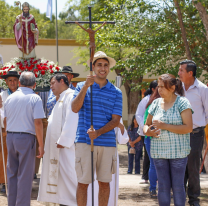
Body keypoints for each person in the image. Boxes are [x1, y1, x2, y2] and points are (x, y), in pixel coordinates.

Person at [71, 51, 122, 206]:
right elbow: (74, 108)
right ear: (93, 67)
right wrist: (86, 86)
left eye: (106, 65)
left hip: (107, 142)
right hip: (84, 141)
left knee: (104, 183)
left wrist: (98, 133)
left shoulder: (116, 92)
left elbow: (116, 120)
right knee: (83, 182)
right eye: (99, 64)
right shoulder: (81, 86)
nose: (103, 68)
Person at [143, 74, 193, 206]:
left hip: (179, 153)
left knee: (178, 186)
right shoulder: (155, 103)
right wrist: (147, 131)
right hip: (159, 152)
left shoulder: (182, 103)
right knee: (163, 186)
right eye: (158, 87)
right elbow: (146, 125)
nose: (158, 90)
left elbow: (188, 128)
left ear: (172, 87)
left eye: (162, 87)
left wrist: (164, 126)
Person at [4, 71, 45, 206]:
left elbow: (5, 120)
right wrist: (41, 144)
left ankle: (12, 203)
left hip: (10, 137)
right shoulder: (35, 98)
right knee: (25, 175)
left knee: (12, 173)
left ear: (19, 82)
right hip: (26, 137)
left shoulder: (10, 98)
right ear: (34, 84)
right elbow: (38, 123)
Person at [38, 74, 78, 206]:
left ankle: (73, 201)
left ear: (62, 81)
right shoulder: (61, 98)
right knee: (62, 177)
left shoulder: (71, 95)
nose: (51, 86)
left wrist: (65, 140)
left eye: (53, 83)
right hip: (59, 148)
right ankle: (64, 201)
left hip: (66, 147)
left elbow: (72, 119)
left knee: (70, 175)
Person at [178, 60, 208, 206]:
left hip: (196, 134)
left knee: (193, 168)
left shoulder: (202, 89)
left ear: (190, 73)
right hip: (178, 134)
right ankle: (180, 198)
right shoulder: (177, 88)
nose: (179, 73)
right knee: (179, 166)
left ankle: (194, 200)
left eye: (181, 70)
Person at [87, 119, 129, 206]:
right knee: (90, 185)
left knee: (107, 184)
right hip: (90, 150)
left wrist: (120, 126)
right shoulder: (90, 110)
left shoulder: (115, 112)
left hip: (109, 152)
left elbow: (123, 140)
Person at [0, 71, 20, 193]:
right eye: (10, 80)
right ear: (6, 82)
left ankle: (17, 180)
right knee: (4, 156)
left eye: (14, 80)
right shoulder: (2, 95)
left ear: (18, 81)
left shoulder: (22, 94)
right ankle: (3, 181)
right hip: (5, 130)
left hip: (20, 129)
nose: (12, 82)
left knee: (17, 157)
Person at [135, 80, 158, 183]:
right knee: (148, 156)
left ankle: (155, 178)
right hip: (146, 131)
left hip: (158, 132)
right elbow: (138, 114)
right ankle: (146, 177)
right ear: (153, 89)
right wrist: (144, 126)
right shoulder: (146, 100)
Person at [143, 88, 160, 198]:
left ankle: (153, 189)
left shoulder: (150, 105)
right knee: (155, 165)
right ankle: (153, 188)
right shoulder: (155, 106)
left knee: (154, 165)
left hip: (149, 138)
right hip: (152, 139)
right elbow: (147, 124)